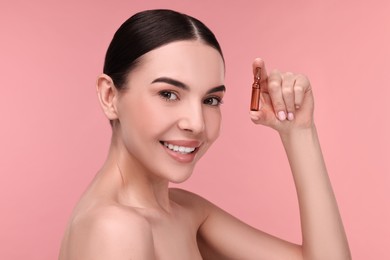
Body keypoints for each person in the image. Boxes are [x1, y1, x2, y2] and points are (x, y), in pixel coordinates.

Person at [59, 9, 351, 260]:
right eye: (169, 94)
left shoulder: (186, 211)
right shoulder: (114, 229)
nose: (197, 123)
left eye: (211, 100)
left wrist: (299, 131)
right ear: (110, 95)